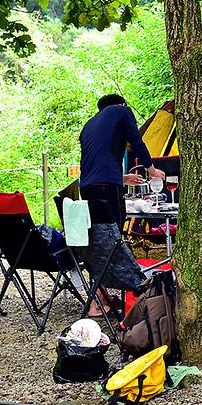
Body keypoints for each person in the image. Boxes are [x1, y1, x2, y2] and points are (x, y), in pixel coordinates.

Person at [79, 94, 164, 317]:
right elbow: (136, 141)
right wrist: (152, 169)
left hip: (87, 187)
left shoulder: (89, 124)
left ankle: (99, 300)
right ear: (121, 104)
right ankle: (136, 291)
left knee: (96, 242)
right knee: (114, 239)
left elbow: (96, 161)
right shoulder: (122, 111)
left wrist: (122, 178)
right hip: (107, 188)